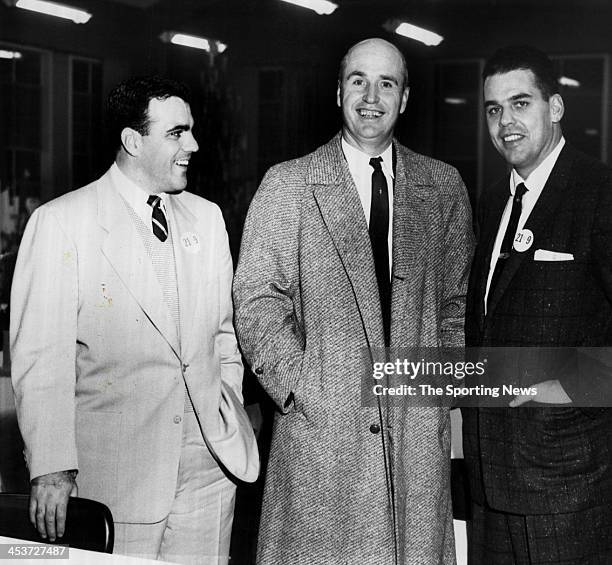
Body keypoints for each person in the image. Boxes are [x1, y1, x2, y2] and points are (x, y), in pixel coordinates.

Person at [233, 38, 474, 564]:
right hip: (323, 442)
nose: (371, 95)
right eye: (358, 80)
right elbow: (255, 303)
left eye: (387, 83)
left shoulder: (443, 187)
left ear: (405, 97)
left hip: (414, 440)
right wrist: (302, 390)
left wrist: (440, 384)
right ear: (337, 90)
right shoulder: (289, 185)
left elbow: (457, 303)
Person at [10, 75, 259, 564]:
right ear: (132, 140)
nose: (193, 144)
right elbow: (42, 358)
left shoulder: (206, 219)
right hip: (115, 479)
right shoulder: (63, 223)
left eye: (190, 131)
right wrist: (52, 469)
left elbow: (223, 336)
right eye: (176, 133)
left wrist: (221, 397)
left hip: (209, 472)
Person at [463, 45, 612, 564]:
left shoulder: (599, 193)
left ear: (555, 107)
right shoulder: (490, 202)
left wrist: (570, 385)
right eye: (493, 109)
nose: (506, 122)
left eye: (520, 103)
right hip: (490, 480)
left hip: (568, 482)